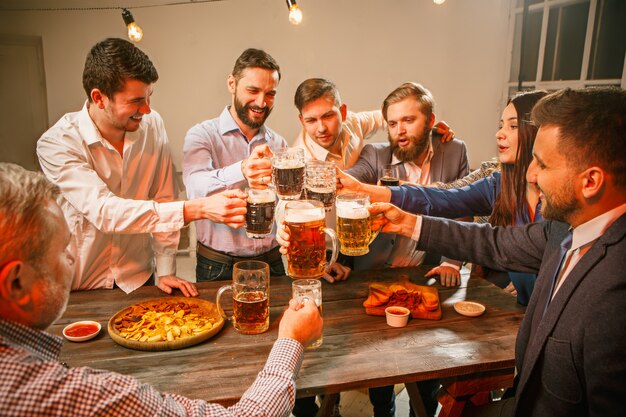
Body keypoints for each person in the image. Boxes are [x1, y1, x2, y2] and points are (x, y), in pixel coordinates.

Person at [366, 87, 626, 417]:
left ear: (590, 182)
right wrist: (405, 223)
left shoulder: (615, 289)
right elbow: (491, 242)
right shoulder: (563, 228)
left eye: (542, 164)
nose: (531, 174)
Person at [0, 162, 323, 417]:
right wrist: (290, 341)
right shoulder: (80, 396)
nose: (72, 257)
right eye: (63, 249)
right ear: (16, 284)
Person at [37, 38, 247, 296]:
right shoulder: (57, 143)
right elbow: (105, 211)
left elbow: (164, 195)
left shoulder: (153, 124)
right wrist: (199, 208)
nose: (146, 110)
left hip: (137, 278)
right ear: (99, 98)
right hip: (79, 284)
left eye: (149, 98)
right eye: (136, 101)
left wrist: (166, 270)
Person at [339, 90, 547, 303]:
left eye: (512, 126)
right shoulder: (500, 183)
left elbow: (492, 242)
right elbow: (443, 197)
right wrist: (370, 194)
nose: (499, 134)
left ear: (541, 133)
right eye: (500, 125)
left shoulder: (558, 198)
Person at [344, 82, 469, 278]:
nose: (399, 130)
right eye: (392, 124)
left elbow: (463, 211)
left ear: (430, 121)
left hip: (426, 273)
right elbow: (350, 179)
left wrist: (451, 264)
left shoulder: (455, 151)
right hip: (374, 273)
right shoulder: (374, 155)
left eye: (408, 120)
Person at [183, 48, 288, 282]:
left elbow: (283, 204)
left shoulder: (278, 142)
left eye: (270, 93)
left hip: (272, 261)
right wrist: (241, 169)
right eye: (253, 90)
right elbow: (194, 187)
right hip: (218, 265)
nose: (261, 102)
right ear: (232, 84)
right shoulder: (202, 134)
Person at [293, 78, 454, 170]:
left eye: (328, 116)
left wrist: (425, 127)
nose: (321, 128)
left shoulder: (352, 122)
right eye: (311, 120)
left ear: (343, 112)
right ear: (302, 121)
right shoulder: (299, 161)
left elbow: (388, 116)